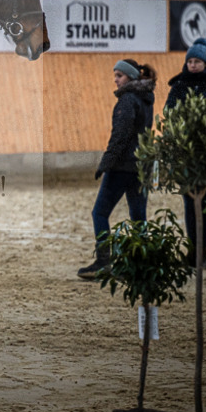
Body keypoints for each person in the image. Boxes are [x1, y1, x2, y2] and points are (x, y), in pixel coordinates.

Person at [78, 59, 157, 280]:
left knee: (100, 213)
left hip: (122, 166)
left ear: (130, 77)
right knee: (138, 215)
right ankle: (141, 264)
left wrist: (106, 163)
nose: (115, 79)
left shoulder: (127, 100)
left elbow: (120, 136)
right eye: (115, 75)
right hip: (140, 165)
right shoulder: (146, 99)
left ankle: (104, 262)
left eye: (119, 75)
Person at [164, 37, 206, 270]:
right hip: (186, 155)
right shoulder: (179, 85)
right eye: (189, 61)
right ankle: (193, 253)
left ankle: (204, 253)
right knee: (190, 205)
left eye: (196, 61)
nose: (192, 65)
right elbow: (169, 112)